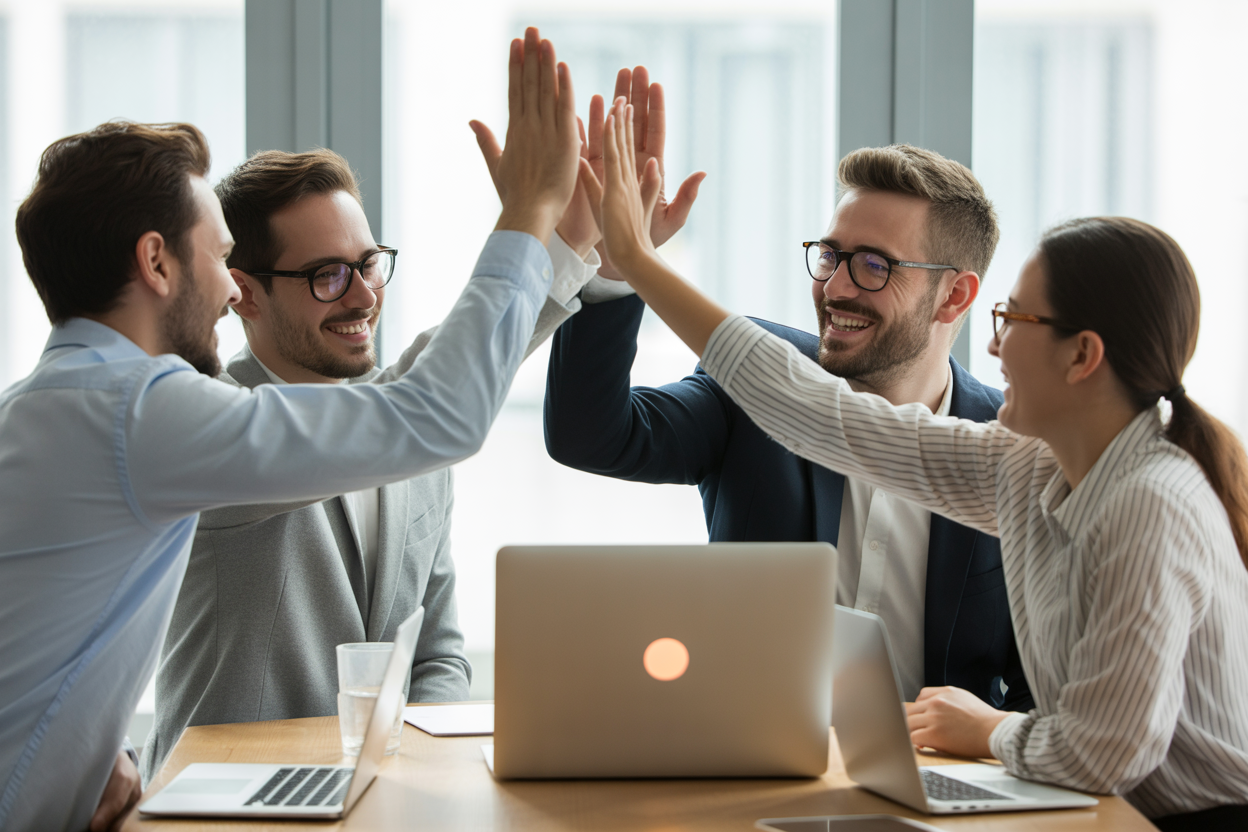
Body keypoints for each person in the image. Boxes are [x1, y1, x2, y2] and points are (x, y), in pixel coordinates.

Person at [590, 98, 1248, 829]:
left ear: (1082, 356)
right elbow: (822, 416)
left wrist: (985, 728)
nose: (993, 348)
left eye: (1013, 321)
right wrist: (637, 265)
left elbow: (1105, 752)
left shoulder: (1152, 500)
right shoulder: (1027, 467)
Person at [0, 27, 580, 832]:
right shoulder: (141, 411)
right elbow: (430, 412)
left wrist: (88, 750)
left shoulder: (56, 405)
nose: (228, 290)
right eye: (219, 256)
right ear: (157, 262)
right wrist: (527, 216)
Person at [545, 69, 1031, 710]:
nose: (834, 288)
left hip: (939, 789)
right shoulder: (756, 381)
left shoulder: (1007, 444)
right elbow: (591, 435)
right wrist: (612, 270)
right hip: (756, 772)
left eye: (874, 265)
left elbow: (1041, 688)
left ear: (955, 296)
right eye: (831, 254)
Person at [138, 143, 604, 783]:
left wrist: (422, 777)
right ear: (243, 294)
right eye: (326, 274)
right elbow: (418, 402)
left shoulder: (411, 432)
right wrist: (540, 233)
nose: (362, 297)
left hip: (387, 804)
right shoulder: (203, 424)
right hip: (224, 805)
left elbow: (437, 654)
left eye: (370, 264)